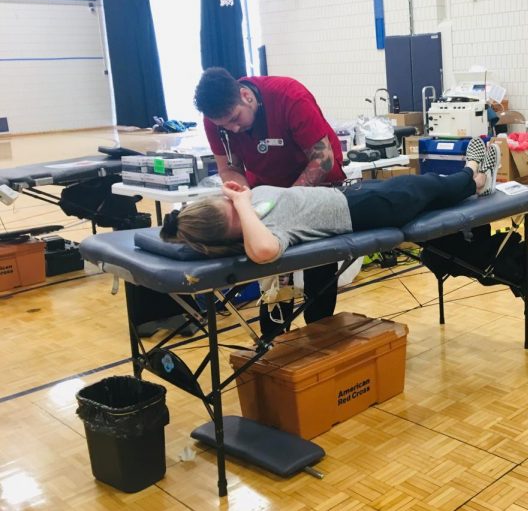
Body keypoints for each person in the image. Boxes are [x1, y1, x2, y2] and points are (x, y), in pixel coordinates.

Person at [160, 141, 501, 264]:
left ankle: (472, 173)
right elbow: (264, 252)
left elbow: (241, 198)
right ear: (232, 224)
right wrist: (244, 208)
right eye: (230, 206)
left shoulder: (248, 207)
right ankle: (477, 176)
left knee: (428, 189)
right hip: (364, 213)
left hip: (350, 196)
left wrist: (240, 198)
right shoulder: (263, 230)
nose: (235, 200)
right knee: (427, 186)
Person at [194, 67, 345, 324]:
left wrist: (288, 201)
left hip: (317, 188)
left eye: (235, 118)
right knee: (272, 266)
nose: (234, 129)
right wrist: (243, 198)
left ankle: (319, 333)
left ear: (246, 96)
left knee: (318, 264)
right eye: (225, 126)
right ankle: (273, 334)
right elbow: (229, 167)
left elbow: (323, 159)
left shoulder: (289, 96)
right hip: (267, 191)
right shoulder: (216, 121)